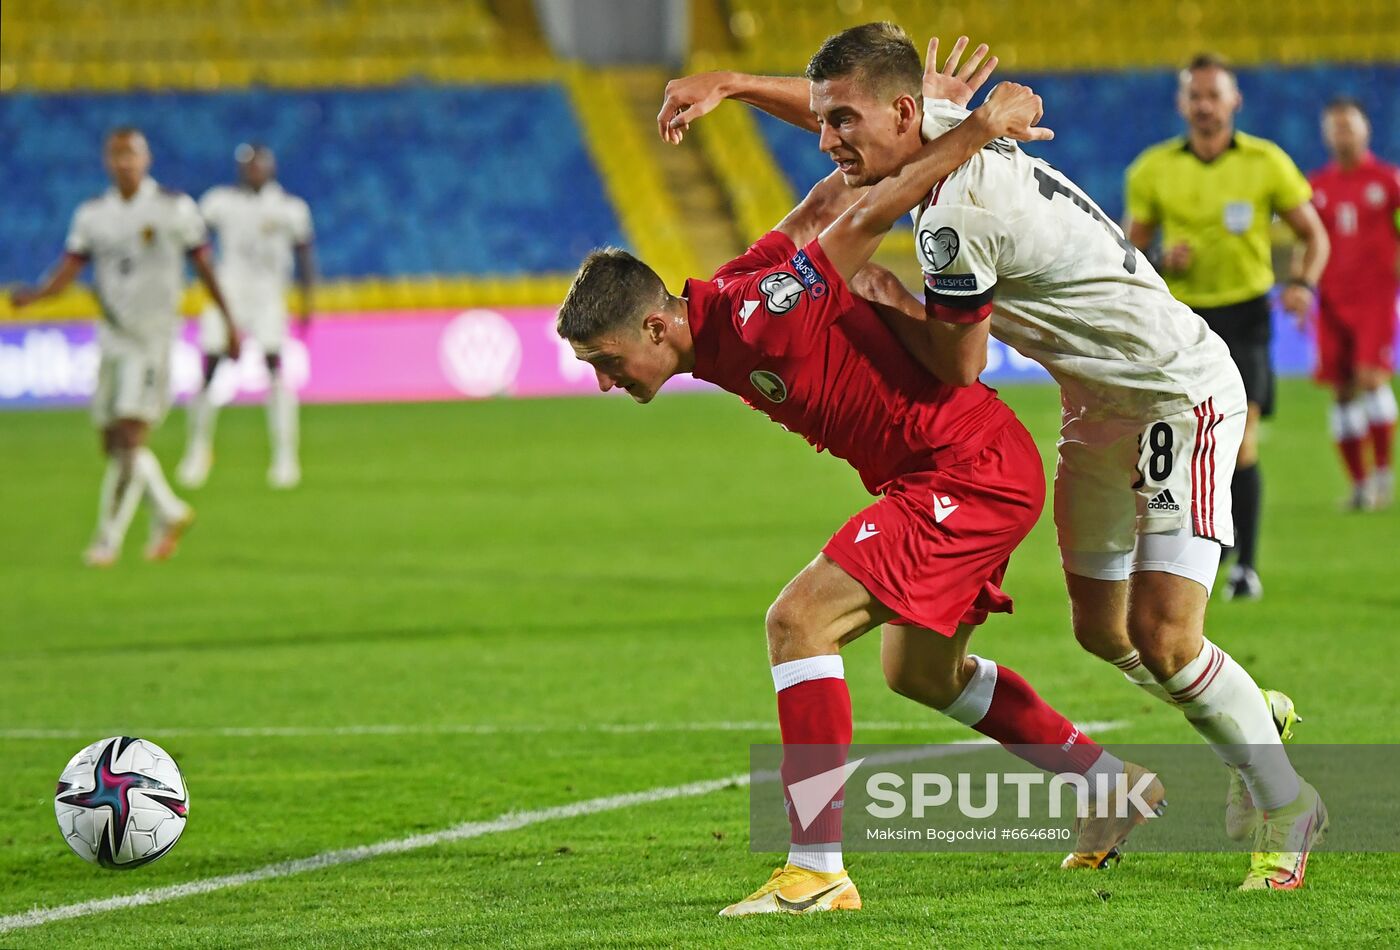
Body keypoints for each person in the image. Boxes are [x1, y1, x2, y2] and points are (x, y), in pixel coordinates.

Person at [656, 25, 1323, 889]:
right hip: (1096, 404)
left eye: (842, 124)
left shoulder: (954, 218)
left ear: (905, 115)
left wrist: (888, 301)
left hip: (1174, 392)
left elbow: (957, 366)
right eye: (825, 122)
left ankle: (1287, 804)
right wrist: (737, 84)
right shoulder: (936, 124)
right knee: (1101, 631)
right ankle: (1243, 713)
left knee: (1163, 635)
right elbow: (852, 109)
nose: (826, 141)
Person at [563, 76, 1165, 917]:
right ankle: (1107, 784)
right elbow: (826, 200)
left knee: (798, 622)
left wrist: (972, 129)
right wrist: (744, 89)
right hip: (964, 467)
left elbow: (869, 214)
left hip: (964, 471)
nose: (605, 381)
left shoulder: (757, 314)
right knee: (921, 673)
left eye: (606, 360)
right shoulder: (738, 288)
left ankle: (815, 870)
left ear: (655, 327)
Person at [1124, 53, 1330, 600]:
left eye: (1214, 95)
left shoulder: (1266, 162)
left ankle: (1245, 567)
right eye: (1195, 95)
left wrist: (1302, 284)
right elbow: (1128, 255)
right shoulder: (1152, 169)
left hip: (1246, 317)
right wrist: (1162, 257)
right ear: (1181, 103)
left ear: (1234, 100)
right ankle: (1193, 555)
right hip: (1183, 322)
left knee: (1242, 443)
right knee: (1176, 443)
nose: (1205, 106)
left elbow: (1314, 234)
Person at [11, 127, 239, 566]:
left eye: (131, 154)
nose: (125, 163)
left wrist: (228, 322)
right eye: (117, 155)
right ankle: (168, 512)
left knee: (132, 436)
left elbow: (204, 267)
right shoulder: (93, 215)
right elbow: (70, 269)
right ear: (107, 162)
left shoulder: (174, 208)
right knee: (113, 442)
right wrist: (36, 296)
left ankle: (107, 540)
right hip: (113, 336)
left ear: (146, 159)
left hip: (153, 338)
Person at [178, 143, 316, 490]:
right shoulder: (220, 202)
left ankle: (285, 456)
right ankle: (197, 451)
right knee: (209, 368)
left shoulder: (290, 208)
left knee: (275, 368)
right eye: (248, 164)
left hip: (269, 295)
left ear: (271, 167)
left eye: (259, 164)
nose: (253, 170)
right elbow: (193, 240)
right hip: (228, 293)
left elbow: (304, 255)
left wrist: (307, 300)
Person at [1307, 96, 1400, 509]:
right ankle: (1359, 485)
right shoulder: (1316, 186)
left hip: (1375, 297)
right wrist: (1302, 286)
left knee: (1370, 378)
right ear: (1326, 135)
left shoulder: (1388, 180)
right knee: (1341, 391)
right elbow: (1307, 240)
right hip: (1330, 299)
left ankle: (1382, 474)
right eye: (1335, 127)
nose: (1342, 134)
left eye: (1348, 125)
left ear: (1366, 129)